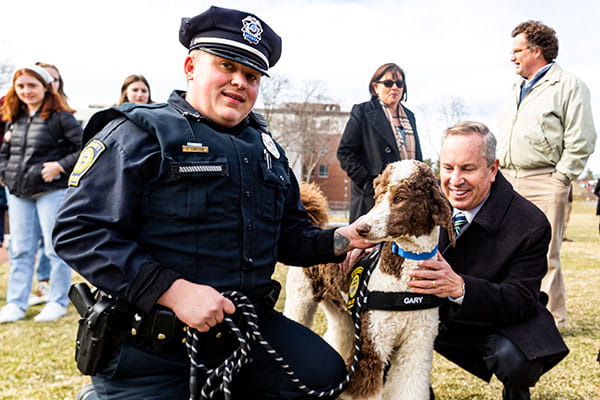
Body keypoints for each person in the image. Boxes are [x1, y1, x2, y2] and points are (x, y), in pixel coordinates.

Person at [52, 6, 371, 400]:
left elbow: (288, 235)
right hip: (154, 348)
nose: (240, 82)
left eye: (252, 76)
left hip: (245, 331)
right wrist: (174, 291)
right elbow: (78, 231)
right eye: (227, 66)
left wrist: (341, 239)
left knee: (323, 375)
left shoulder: (266, 149)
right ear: (190, 66)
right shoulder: (136, 134)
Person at [408, 121, 569, 400]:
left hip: (495, 317)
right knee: (384, 330)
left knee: (515, 359)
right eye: (448, 168)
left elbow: (520, 298)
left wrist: (460, 288)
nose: (455, 180)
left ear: (492, 170)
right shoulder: (422, 199)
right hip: (432, 312)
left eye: (468, 169)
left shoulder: (531, 223)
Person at [496, 20, 597, 328]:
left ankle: (552, 321)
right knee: (506, 251)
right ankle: (511, 312)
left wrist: (561, 177)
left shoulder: (570, 85)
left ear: (536, 51)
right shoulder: (516, 88)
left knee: (545, 253)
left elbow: (583, 138)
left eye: (517, 50)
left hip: (545, 181)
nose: (511, 57)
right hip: (508, 181)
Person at [0, 65, 81, 323]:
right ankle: (16, 303)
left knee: (53, 248)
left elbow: (87, 148)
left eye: (32, 85)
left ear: (46, 87)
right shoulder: (15, 117)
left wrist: (60, 166)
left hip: (50, 192)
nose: (26, 91)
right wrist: (5, 172)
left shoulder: (61, 117)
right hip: (18, 192)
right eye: (21, 86)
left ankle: (57, 301)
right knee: (20, 250)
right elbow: (5, 152)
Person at [337, 62, 422, 223]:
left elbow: (417, 158)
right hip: (372, 198)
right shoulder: (363, 111)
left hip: (405, 198)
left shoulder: (410, 116)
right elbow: (345, 153)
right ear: (375, 87)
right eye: (388, 83)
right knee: (368, 246)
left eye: (399, 83)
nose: (394, 87)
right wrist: (369, 184)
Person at [27, 61, 71, 307]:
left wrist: (59, 166)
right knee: (29, 246)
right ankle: (39, 287)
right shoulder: (20, 114)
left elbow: (79, 148)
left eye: (53, 79)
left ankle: (57, 296)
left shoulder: (63, 115)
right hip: (24, 188)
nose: (50, 83)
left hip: (53, 188)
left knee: (52, 242)